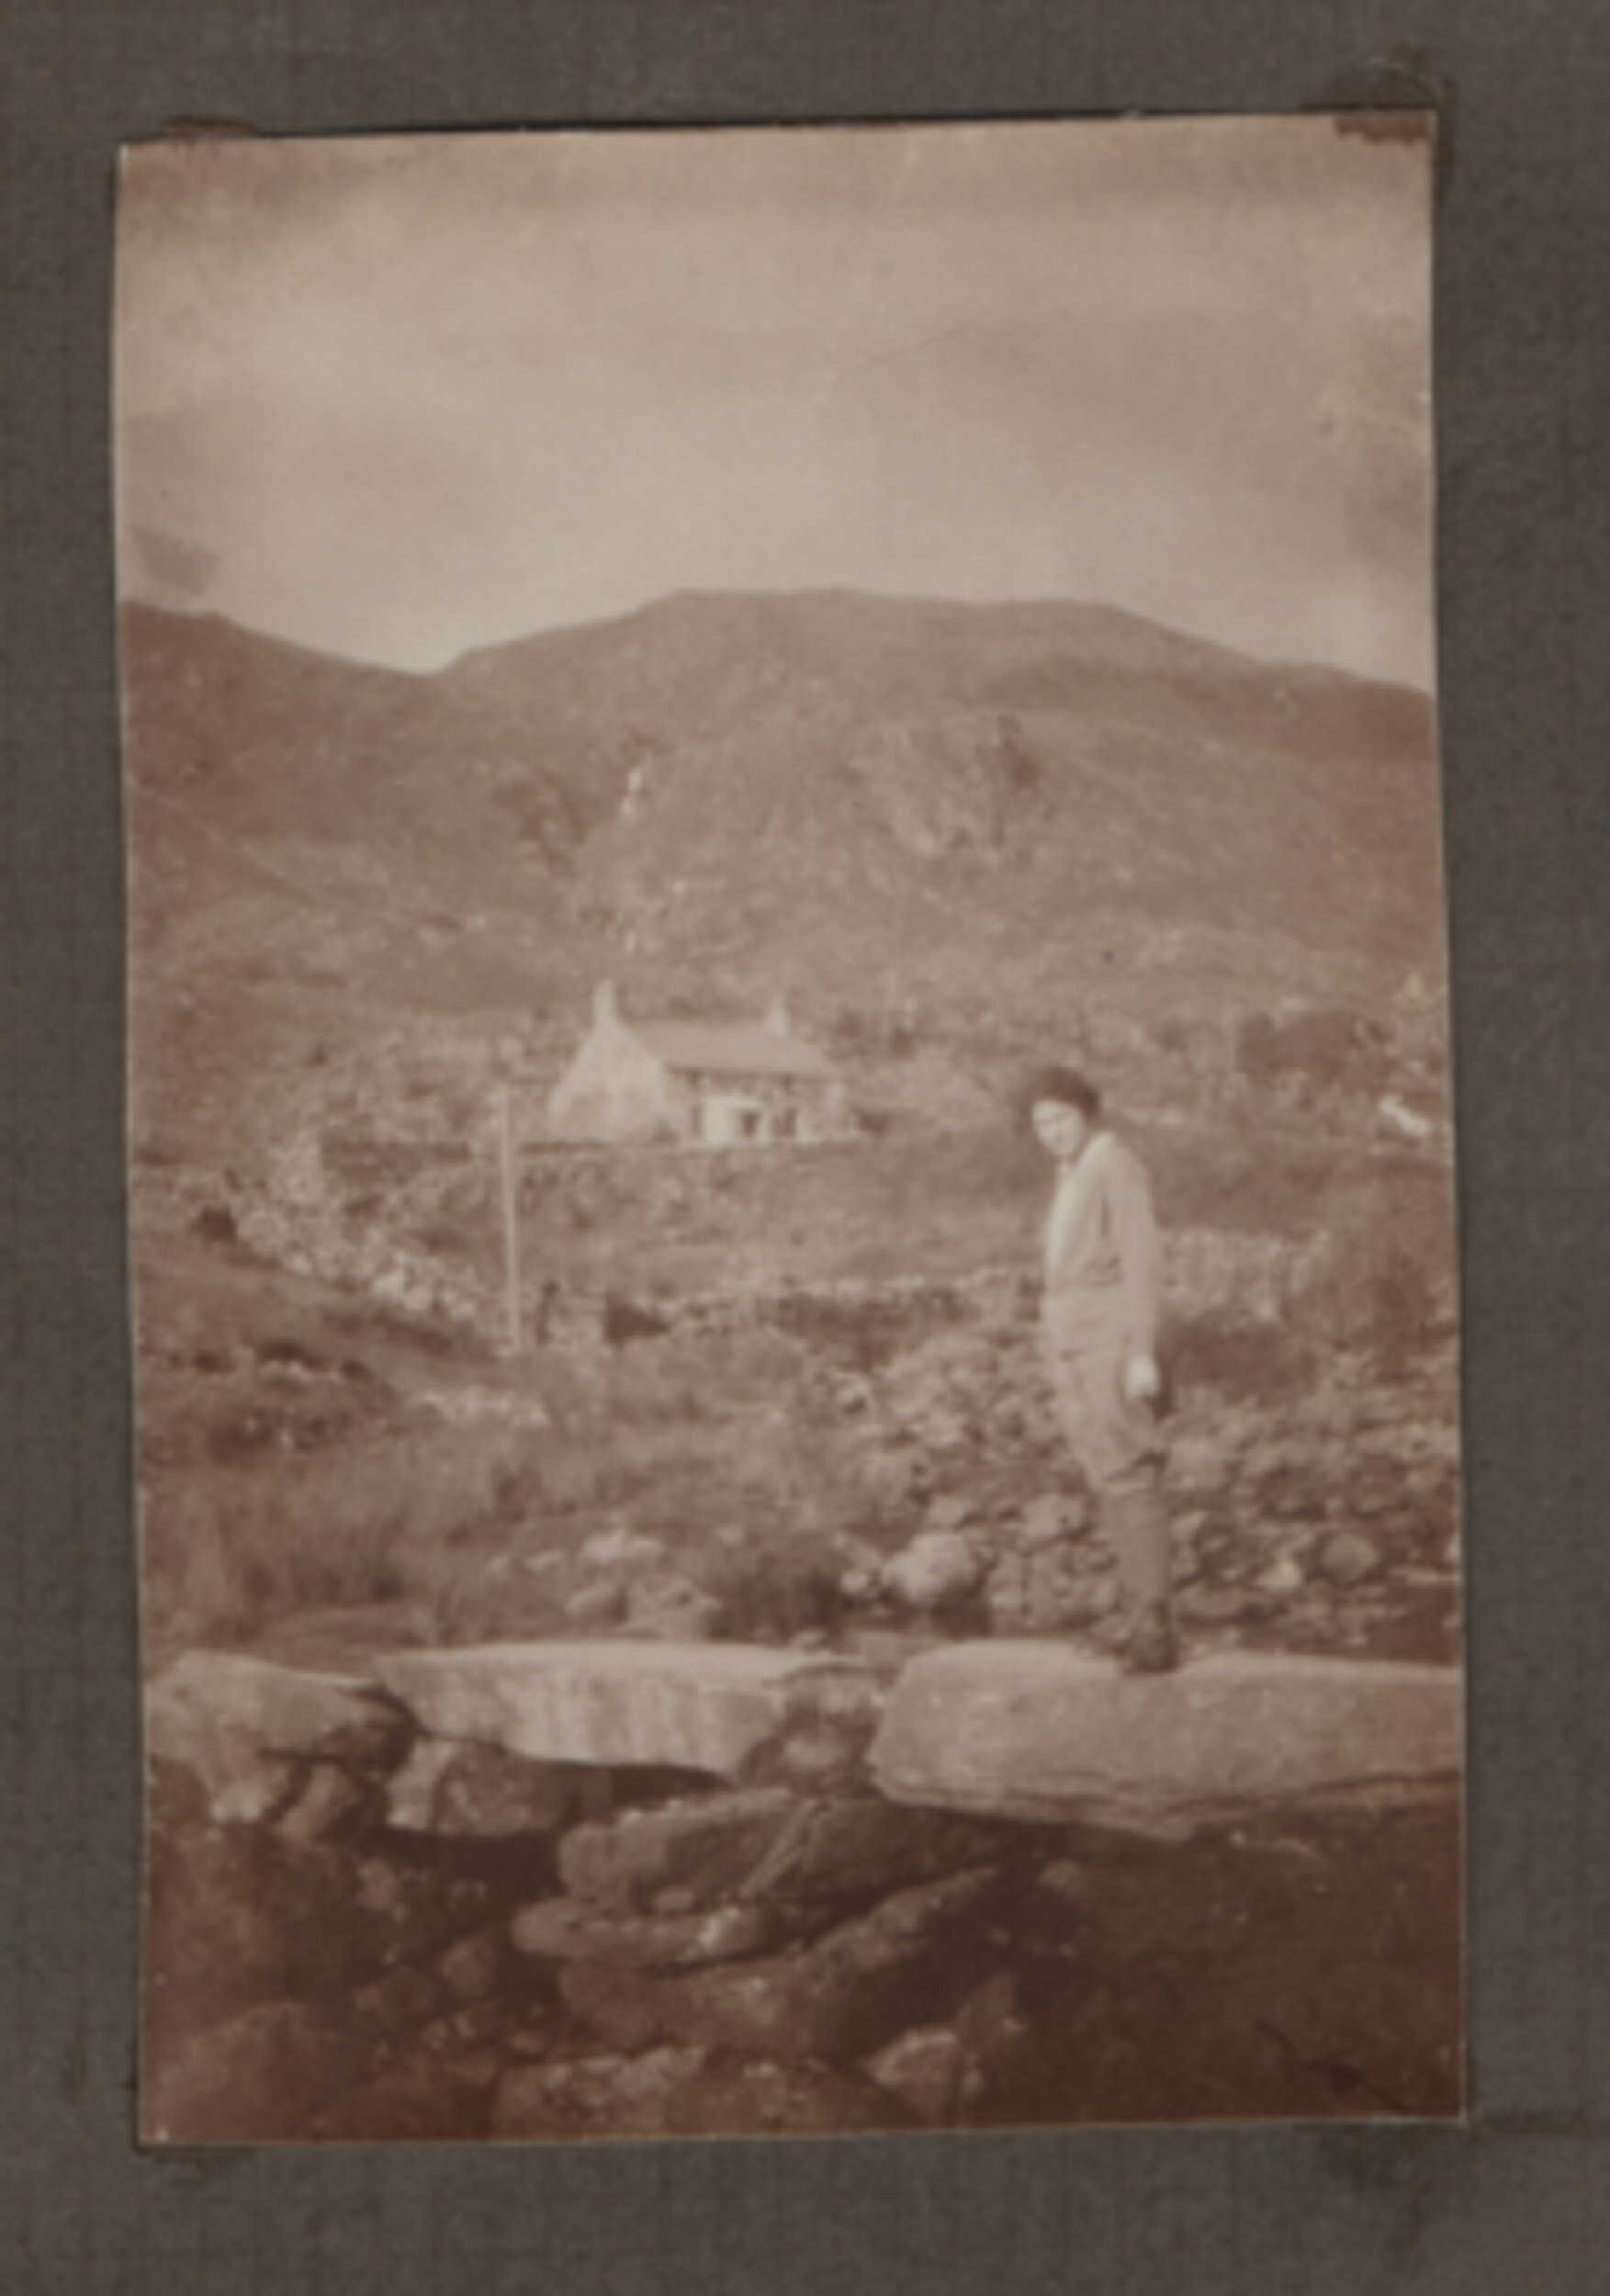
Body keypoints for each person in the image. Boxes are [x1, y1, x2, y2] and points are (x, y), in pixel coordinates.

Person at [1026, 1065, 1177, 1674]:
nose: (1051, 1132)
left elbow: (1142, 1263)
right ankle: (1139, 1618)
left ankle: (1154, 1632)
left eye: (1060, 1119)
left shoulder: (1115, 1167)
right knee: (1108, 1478)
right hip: (1075, 1347)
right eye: (1040, 1123)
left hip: (1112, 1345)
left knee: (1130, 1477)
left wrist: (1141, 1351)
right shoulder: (1074, 1173)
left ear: (1086, 1113)